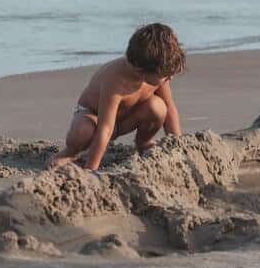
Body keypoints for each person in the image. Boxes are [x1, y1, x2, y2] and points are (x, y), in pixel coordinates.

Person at [45, 23, 185, 170]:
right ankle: (71, 153)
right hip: (95, 118)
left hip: (125, 121)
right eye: (166, 75)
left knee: (159, 107)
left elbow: (170, 111)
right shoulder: (116, 80)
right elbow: (105, 127)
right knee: (82, 131)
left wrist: (180, 148)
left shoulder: (156, 70)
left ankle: (143, 143)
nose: (170, 78)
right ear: (140, 71)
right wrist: (91, 169)